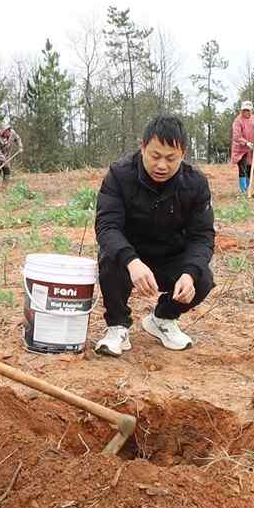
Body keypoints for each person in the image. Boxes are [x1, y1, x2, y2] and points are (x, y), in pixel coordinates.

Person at [94, 115, 216, 357]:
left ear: (183, 154)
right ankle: (117, 326)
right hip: (130, 257)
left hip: (170, 256)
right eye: (155, 156)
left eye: (171, 159)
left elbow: (202, 236)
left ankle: (163, 319)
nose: (162, 166)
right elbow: (107, 227)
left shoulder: (196, 184)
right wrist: (132, 261)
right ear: (142, 148)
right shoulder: (119, 175)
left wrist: (189, 273)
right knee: (110, 258)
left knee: (201, 278)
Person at [231, 101, 254, 194]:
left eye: (248, 110)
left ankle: (248, 189)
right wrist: (246, 143)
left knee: (251, 168)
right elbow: (236, 136)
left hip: (250, 149)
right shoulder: (237, 121)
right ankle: (243, 191)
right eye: (245, 110)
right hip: (240, 150)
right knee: (243, 168)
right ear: (242, 110)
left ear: (251, 111)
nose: (246, 112)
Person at [0, 120, 23, 187]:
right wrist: (3, 160)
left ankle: (4, 186)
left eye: (9, 130)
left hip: (7, 154)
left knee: (7, 169)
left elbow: (18, 138)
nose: (9, 132)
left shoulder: (12, 133)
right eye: (6, 131)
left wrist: (20, 146)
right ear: (3, 132)